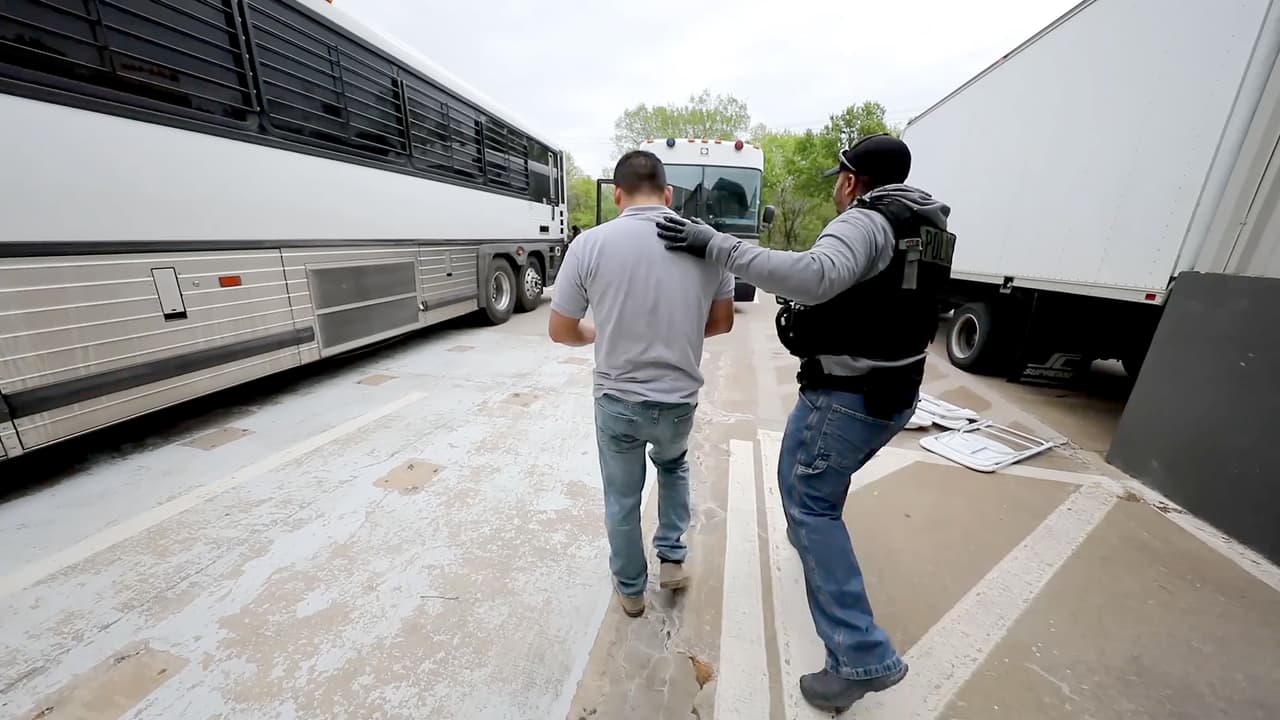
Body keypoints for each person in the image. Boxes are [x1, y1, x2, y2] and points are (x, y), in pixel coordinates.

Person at [656, 134, 954, 712]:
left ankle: (860, 656)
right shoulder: (928, 223)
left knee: (810, 504)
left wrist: (714, 243)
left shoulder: (867, 221)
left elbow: (814, 277)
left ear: (851, 180)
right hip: (894, 393)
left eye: (839, 180)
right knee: (816, 493)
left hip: (846, 396)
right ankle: (815, 547)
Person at [549, 150, 735, 618]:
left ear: (616, 195)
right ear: (669, 195)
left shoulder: (588, 245)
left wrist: (599, 331)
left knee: (622, 494)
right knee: (673, 467)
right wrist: (681, 330)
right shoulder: (709, 243)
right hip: (677, 401)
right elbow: (723, 322)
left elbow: (562, 329)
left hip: (617, 401)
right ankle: (672, 558)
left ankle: (631, 591)